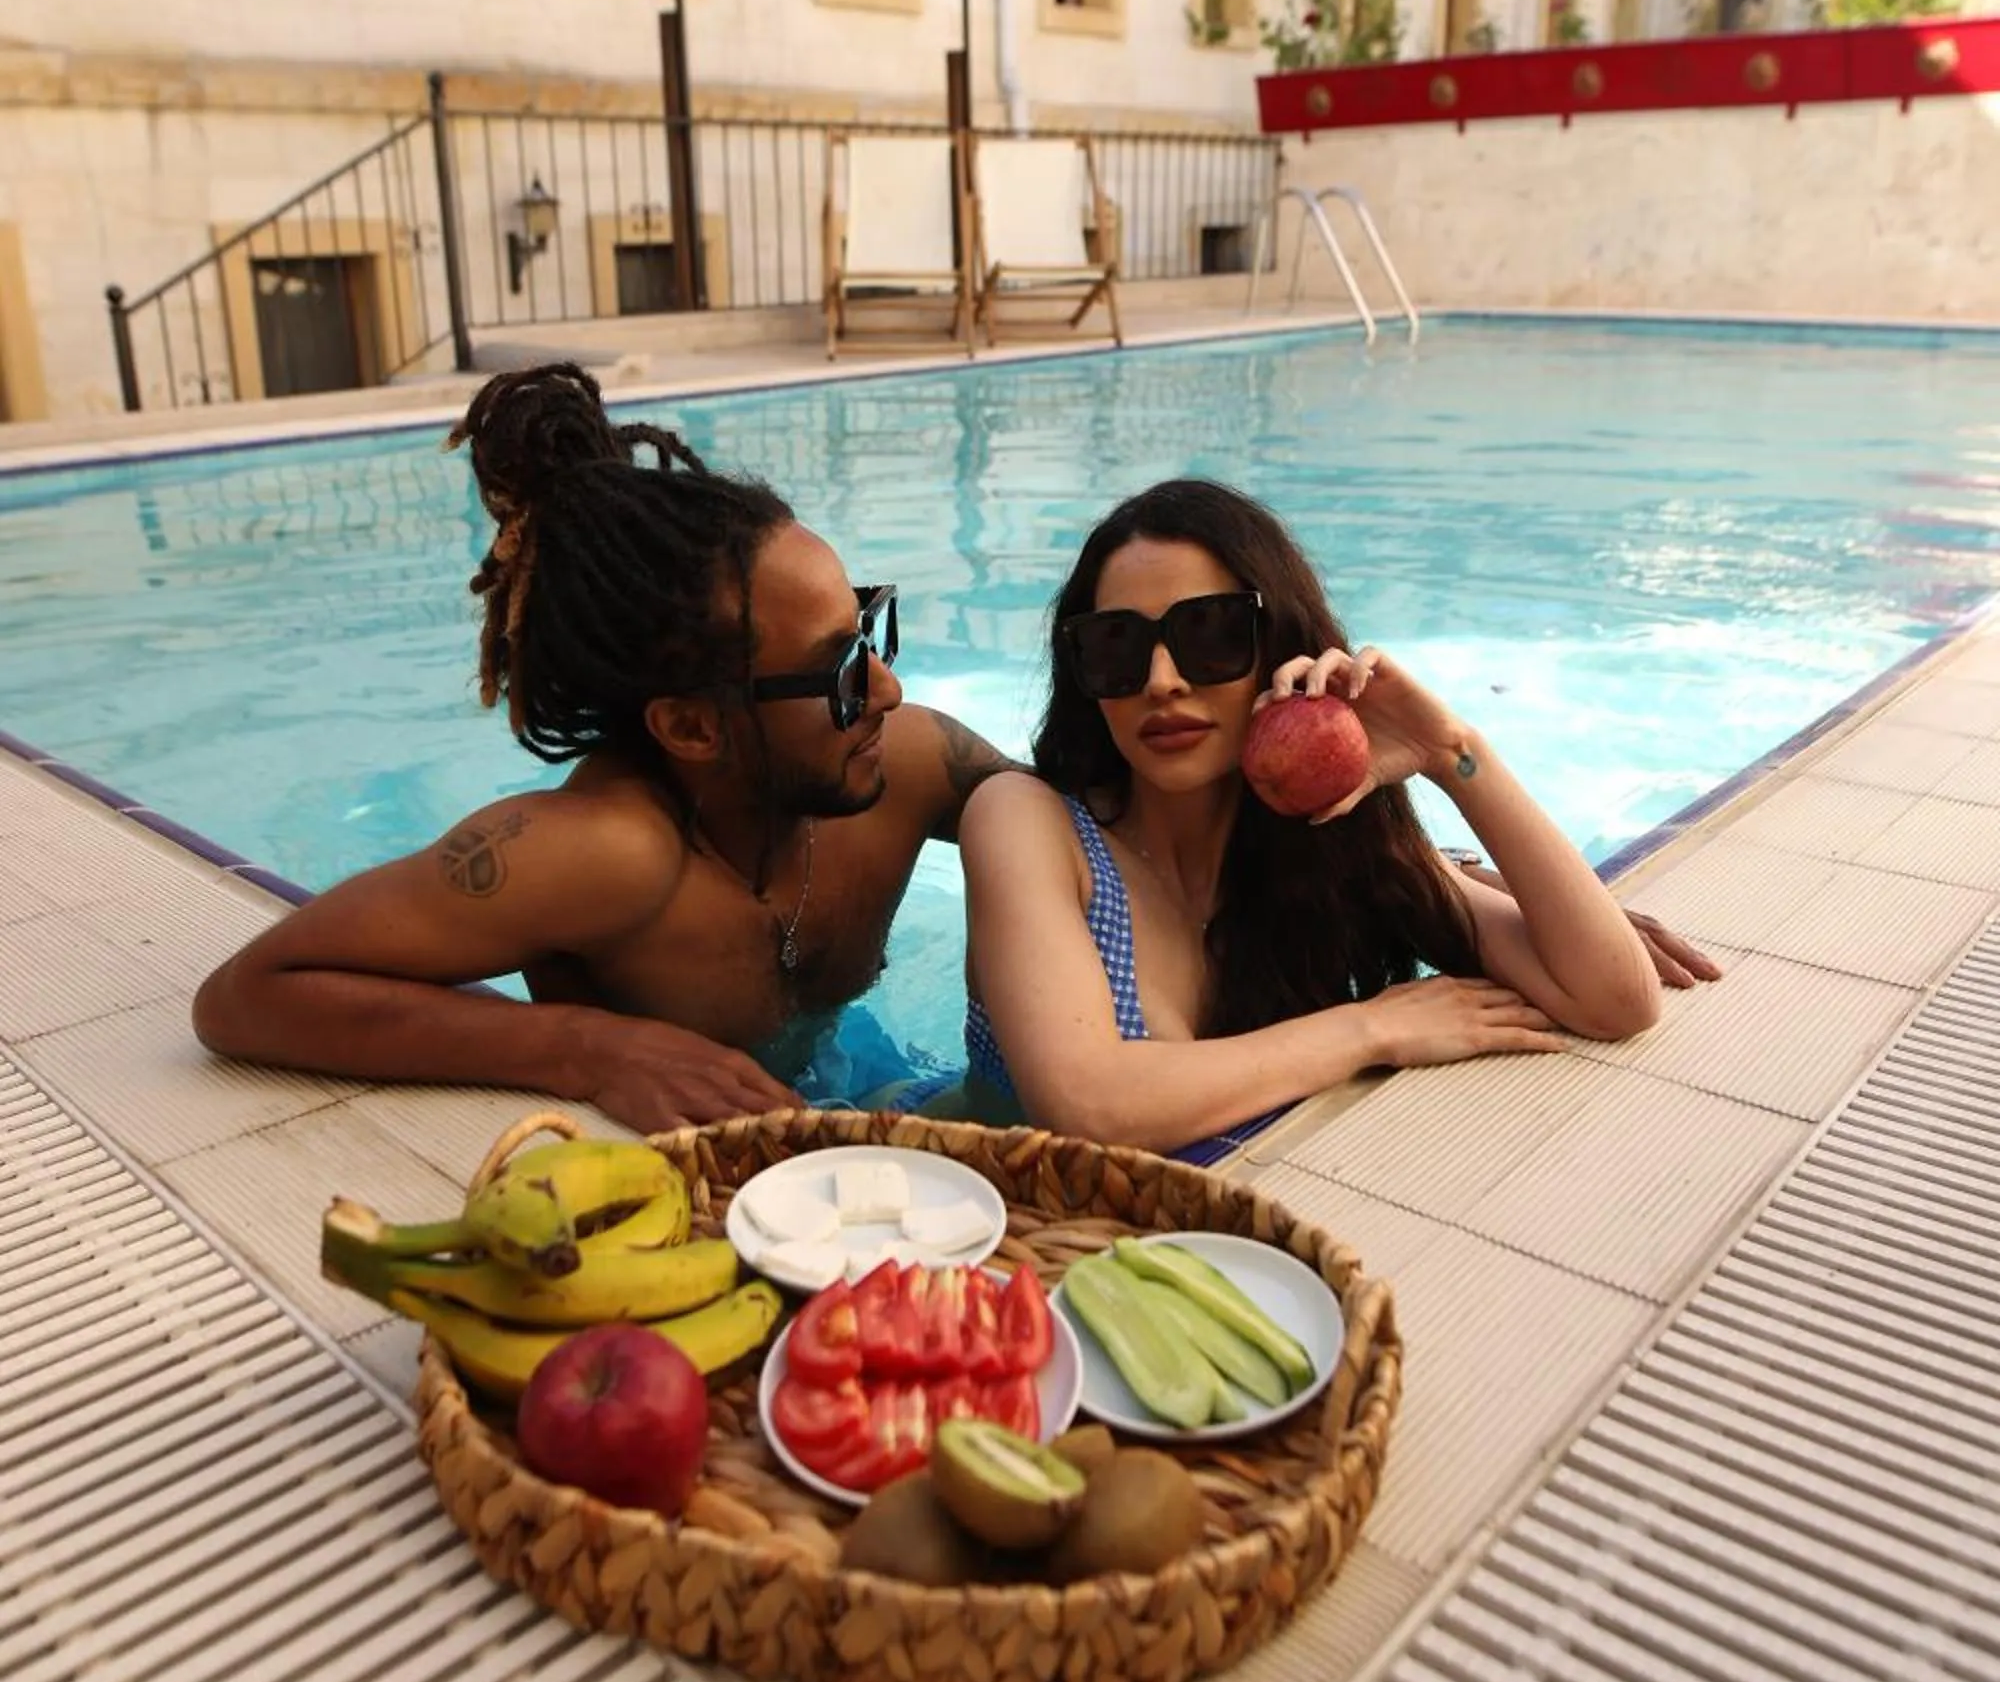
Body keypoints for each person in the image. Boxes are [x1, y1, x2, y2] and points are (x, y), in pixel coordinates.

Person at [192, 364, 1014, 1130]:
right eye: (837, 669)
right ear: (692, 727)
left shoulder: (907, 763)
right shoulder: (608, 853)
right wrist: (586, 1049)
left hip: (858, 1078)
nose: (886, 691)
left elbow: (1097, 827)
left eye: (865, 631)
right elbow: (246, 996)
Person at [960, 477, 1683, 1156]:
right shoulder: (1028, 823)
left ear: (1279, 649)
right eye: (1115, 645)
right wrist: (1373, 1028)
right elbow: (1089, 1106)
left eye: (1209, 634)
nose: (1162, 681)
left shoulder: (1327, 846)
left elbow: (1618, 1001)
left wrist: (1453, 753)